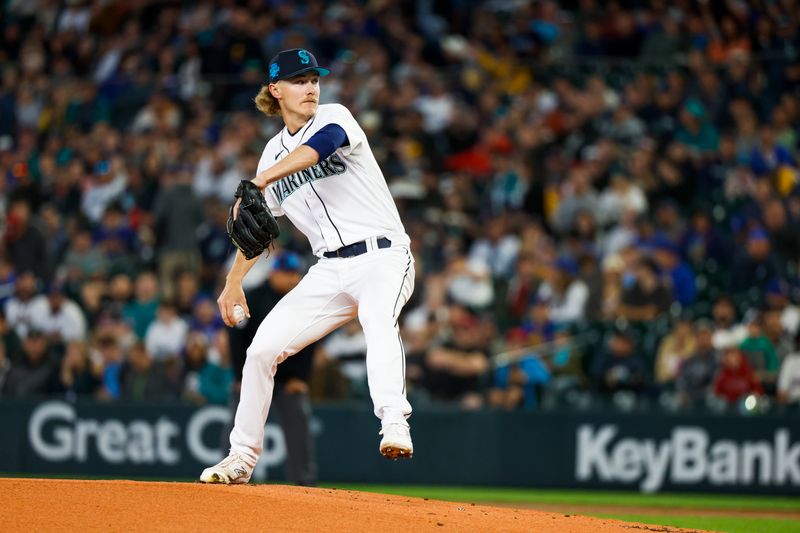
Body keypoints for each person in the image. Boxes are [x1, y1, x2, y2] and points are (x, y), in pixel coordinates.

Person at [201, 49, 415, 484]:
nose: (311, 87)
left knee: (377, 319)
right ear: (276, 90)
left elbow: (318, 149)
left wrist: (262, 181)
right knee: (260, 350)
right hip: (329, 270)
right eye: (299, 81)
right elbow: (258, 230)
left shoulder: (335, 117)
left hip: (384, 256)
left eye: (314, 79)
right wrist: (232, 284)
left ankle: (395, 422)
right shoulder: (271, 155)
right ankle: (241, 457)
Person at [225, 251, 318, 486]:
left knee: (299, 430)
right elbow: (236, 339)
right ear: (274, 273)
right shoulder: (254, 297)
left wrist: (300, 377)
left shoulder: (301, 299)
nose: (293, 279)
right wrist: (239, 376)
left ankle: (305, 484)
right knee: (238, 424)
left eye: (296, 274)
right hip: (254, 376)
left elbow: (311, 341)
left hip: (288, 379)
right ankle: (229, 477)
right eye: (288, 274)